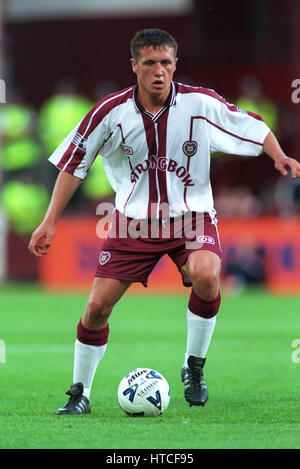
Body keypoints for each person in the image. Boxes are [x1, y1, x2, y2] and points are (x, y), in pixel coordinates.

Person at [28, 28, 300, 414]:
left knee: (207, 275)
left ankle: (194, 366)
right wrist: (49, 220)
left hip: (192, 217)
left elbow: (251, 125)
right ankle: (80, 393)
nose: (159, 71)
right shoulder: (109, 112)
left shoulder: (199, 103)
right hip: (132, 225)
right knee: (96, 310)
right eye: (151, 63)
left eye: (166, 63)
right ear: (134, 65)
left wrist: (279, 156)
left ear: (175, 65)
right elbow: (74, 165)